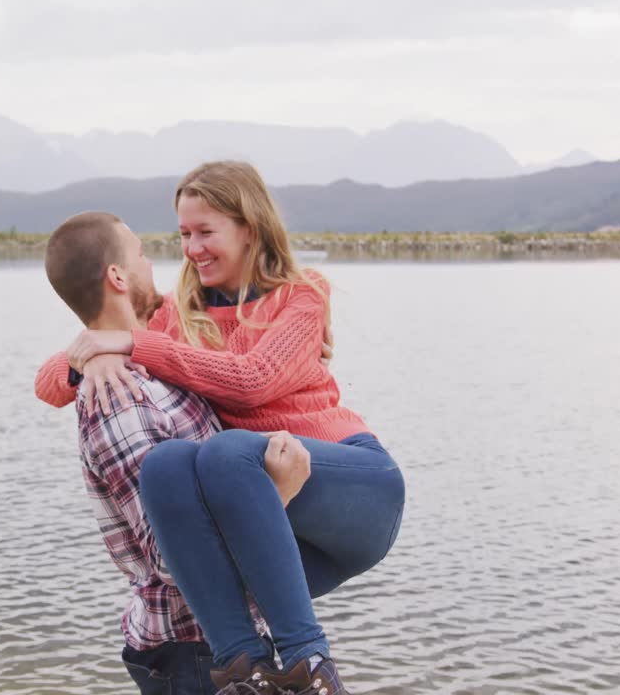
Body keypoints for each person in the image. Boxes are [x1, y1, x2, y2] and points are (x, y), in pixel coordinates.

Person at [36, 161, 406, 695]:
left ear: (249, 227)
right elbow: (49, 383)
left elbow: (252, 381)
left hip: (351, 484)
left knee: (223, 453)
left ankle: (309, 663)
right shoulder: (177, 314)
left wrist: (131, 344)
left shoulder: (300, 294)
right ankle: (242, 667)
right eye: (183, 234)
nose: (191, 248)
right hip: (262, 491)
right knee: (168, 464)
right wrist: (90, 359)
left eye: (206, 232)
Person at [42, 210, 290, 694]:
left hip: (215, 639)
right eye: (140, 254)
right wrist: (276, 496)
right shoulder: (118, 399)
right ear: (117, 276)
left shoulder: (147, 360)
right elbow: (172, 555)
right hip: (192, 651)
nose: (153, 263)